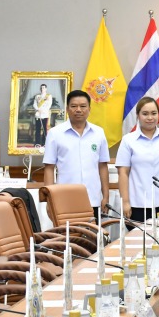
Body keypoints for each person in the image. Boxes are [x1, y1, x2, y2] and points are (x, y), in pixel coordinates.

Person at [43, 90, 110, 220]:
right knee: (67, 239)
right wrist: (49, 200)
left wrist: (105, 196)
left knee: (92, 239)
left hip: (93, 200)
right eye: (74, 106)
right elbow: (49, 168)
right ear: (67, 109)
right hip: (64, 200)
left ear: (89, 109)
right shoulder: (55, 134)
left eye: (83, 106)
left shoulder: (99, 133)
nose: (78, 110)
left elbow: (103, 166)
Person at [115, 97, 159, 223]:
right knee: (139, 240)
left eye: (154, 113)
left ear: (158, 114)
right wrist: (125, 202)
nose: (150, 118)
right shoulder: (128, 140)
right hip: (137, 204)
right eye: (145, 114)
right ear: (138, 116)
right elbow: (123, 173)